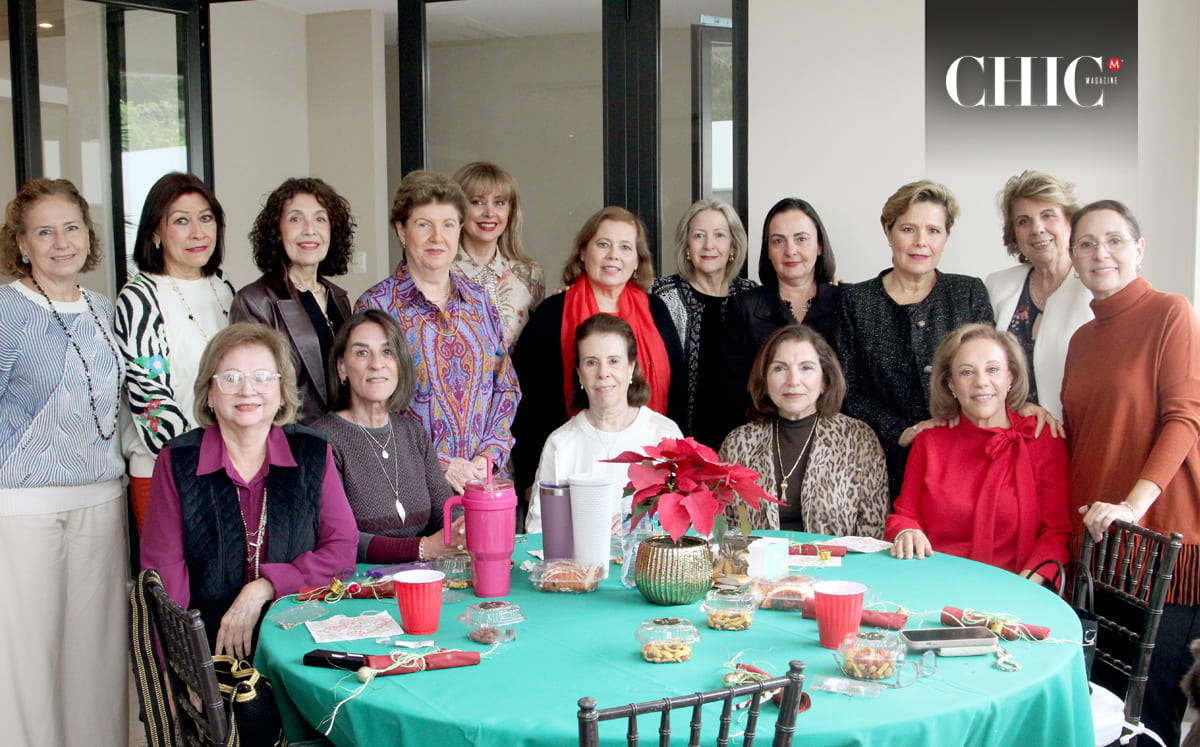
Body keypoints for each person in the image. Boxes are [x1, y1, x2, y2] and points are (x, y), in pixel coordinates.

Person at [1062, 200, 1200, 747]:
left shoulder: (1172, 313)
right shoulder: (1080, 340)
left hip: (1158, 539)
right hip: (1102, 547)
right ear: (1072, 259)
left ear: (1139, 250)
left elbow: (1184, 419)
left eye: (1115, 240)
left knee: (1150, 718)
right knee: (1106, 713)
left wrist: (1132, 505)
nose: (1102, 253)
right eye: (1087, 244)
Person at [141, 323, 357, 658]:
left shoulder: (313, 453)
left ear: (281, 390)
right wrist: (182, 669)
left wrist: (265, 587)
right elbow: (164, 580)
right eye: (230, 378)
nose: (247, 390)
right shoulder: (177, 462)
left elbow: (341, 551)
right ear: (209, 394)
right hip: (209, 649)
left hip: (300, 641)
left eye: (262, 377)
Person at [0, 179, 127, 746]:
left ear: (88, 236)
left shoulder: (102, 309)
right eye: (43, 231)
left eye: (71, 227)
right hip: (22, 507)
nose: (60, 242)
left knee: (95, 654)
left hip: (102, 498)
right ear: (22, 245)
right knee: (25, 656)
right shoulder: (6, 309)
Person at [356, 171, 519, 493]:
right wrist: (442, 463)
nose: (437, 237)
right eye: (423, 225)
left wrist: (487, 459)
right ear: (401, 231)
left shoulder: (479, 300)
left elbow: (507, 387)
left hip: (485, 485)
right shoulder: (376, 306)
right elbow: (367, 404)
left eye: (448, 225)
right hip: (410, 487)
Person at [510, 206, 685, 502]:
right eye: (603, 244)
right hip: (570, 470)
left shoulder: (656, 311)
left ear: (637, 261)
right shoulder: (553, 314)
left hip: (647, 471)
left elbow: (678, 392)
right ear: (583, 252)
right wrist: (530, 476)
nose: (614, 255)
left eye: (625, 247)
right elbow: (522, 398)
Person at [834, 180, 994, 500]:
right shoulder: (855, 300)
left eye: (934, 231)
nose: (922, 242)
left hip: (965, 460)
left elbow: (988, 376)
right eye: (908, 229)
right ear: (888, 230)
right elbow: (847, 389)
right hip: (883, 464)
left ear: (946, 236)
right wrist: (903, 433)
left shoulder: (968, 293)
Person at [885, 323, 1070, 580]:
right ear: (950, 383)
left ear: (1010, 378)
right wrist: (907, 532)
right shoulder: (929, 442)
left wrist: (1025, 587)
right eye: (967, 372)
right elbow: (905, 516)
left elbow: (1057, 532)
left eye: (993, 369)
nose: (981, 382)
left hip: (1020, 591)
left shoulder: (1042, 438)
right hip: (937, 585)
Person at [116, 172, 235, 533]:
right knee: (173, 588)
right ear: (156, 232)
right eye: (181, 221)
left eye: (206, 218)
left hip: (231, 467)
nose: (198, 232)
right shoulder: (140, 297)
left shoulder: (224, 289)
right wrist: (209, 459)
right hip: (168, 470)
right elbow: (149, 399)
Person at [312, 310, 465, 562]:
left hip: (424, 579)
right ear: (342, 368)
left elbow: (445, 512)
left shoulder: (413, 433)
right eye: (362, 353)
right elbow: (341, 539)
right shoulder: (322, 439)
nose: (376, 364)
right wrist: (423, 549)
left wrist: (463, 528)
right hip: (357, 586)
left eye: (387, 352)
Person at [718, 324, 886, 537]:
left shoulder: (859, 439)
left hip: (838, 568)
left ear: (825, 379)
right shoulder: (737, 443)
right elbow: (726, 529)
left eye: (806, 368)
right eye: (780, 368)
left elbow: (873, 533)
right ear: (764, 379)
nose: (793, 380)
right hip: (755, 568)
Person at [526, 314, 682, 533]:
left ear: (631, 368)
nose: (603, 373)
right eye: (591, 362)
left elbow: (686, 521)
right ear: (580, 374)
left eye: (614, 361)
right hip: (578, 567)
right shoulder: (560, 444)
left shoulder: (664, 434)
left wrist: (643, 522)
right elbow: (538, 531)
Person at [712, 198, 841, 448]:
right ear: (768, 251)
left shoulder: (845, 302)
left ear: (820, 246)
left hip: (832, 438)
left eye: (801, 239)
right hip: (762, 438)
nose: (790, 250)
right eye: (778, 241)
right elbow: (731, 391)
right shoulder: (744, 307)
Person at [231, 177, 355, 422]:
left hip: (344, 439)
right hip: (292, 443)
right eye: (295, 219)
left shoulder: (339, 299)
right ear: (277, 231)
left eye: (320, 219)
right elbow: (251, 390)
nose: (309, 229)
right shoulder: (254, 301)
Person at [984, 170, 1092, 420]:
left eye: (1048, 215)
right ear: (1014, 233)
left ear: (1071, 221)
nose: (1037, 229)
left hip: (1074, 431)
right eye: (1024, 221)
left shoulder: (1093, 287)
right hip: (1010, 432)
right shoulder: (998, 284)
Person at [651, 198, 756, 445]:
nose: (709, 245)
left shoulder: (753, 296)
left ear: (733, 245)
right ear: (687, 245)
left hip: (742, 443)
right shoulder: (660, 296)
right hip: (675, 441)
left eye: (719, 235)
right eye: (699, 235)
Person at [452, 161, 545, 348]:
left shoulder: (531, 273)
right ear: (458, 209)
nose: (489, 212)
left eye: (499, 203)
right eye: (477, 202)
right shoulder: (439, 273)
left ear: (510, 211)